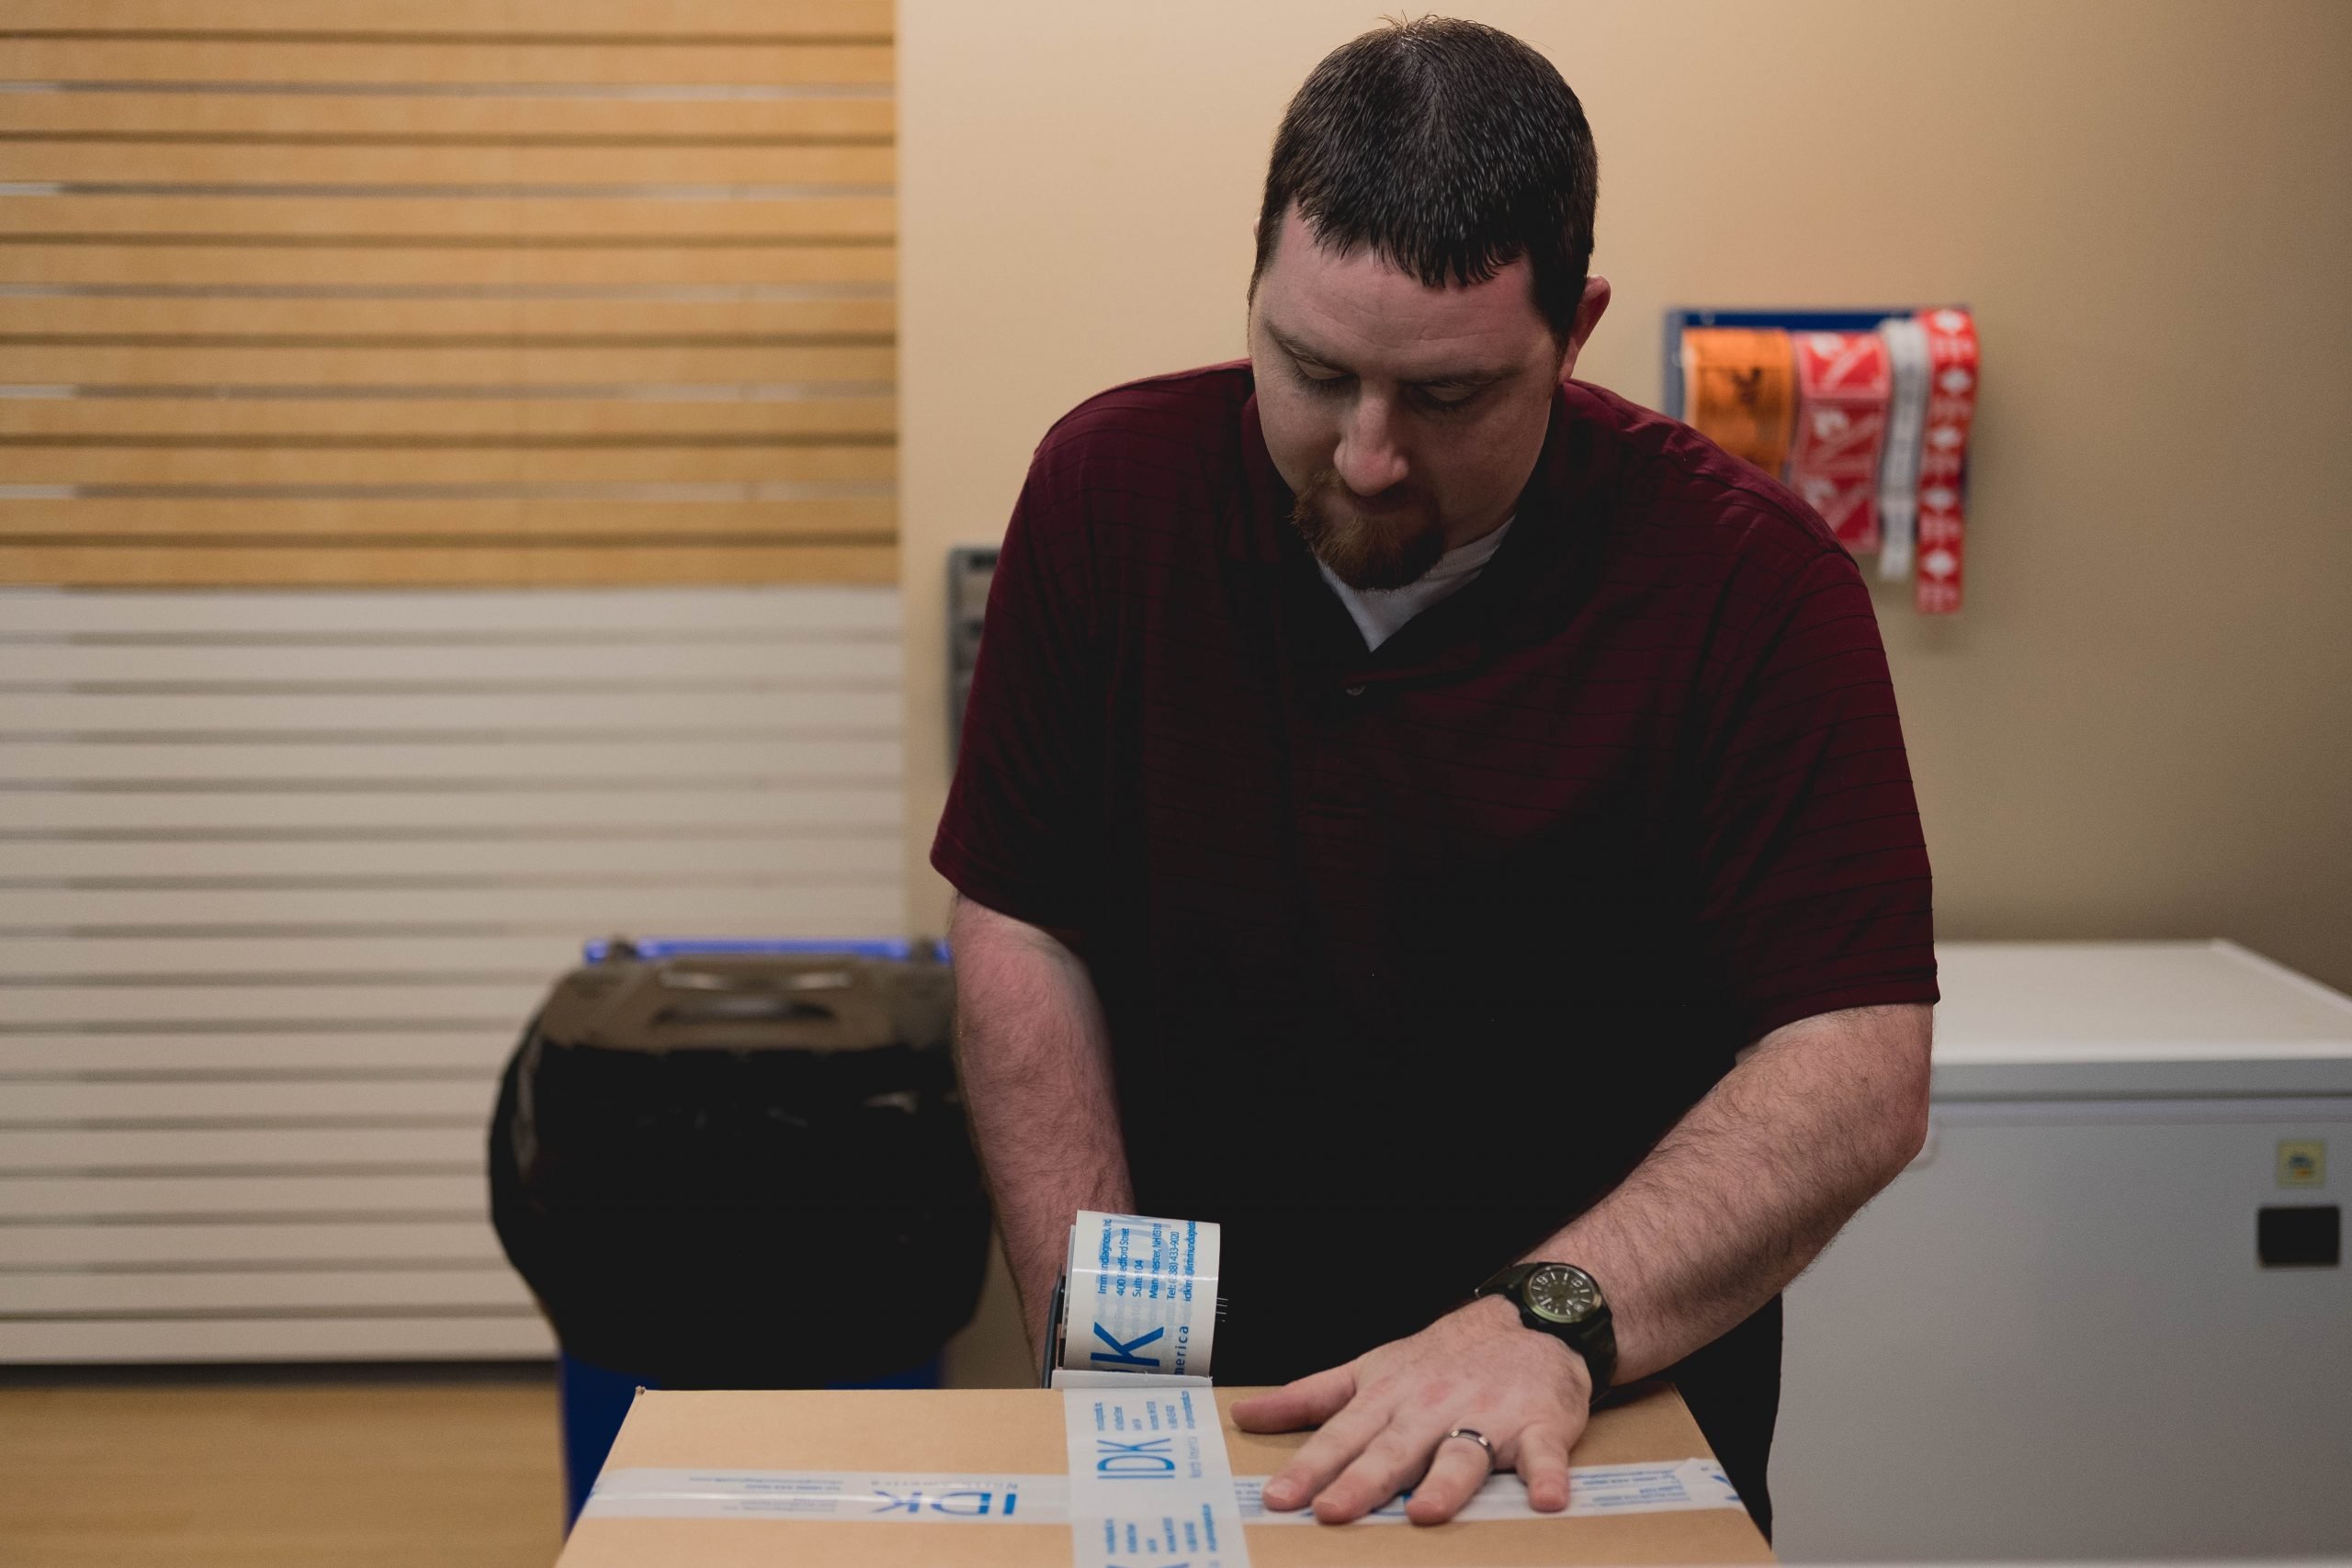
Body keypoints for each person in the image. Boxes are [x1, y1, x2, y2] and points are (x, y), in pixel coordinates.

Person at [933, 17, 1936, 1536]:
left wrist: (1546, 1320)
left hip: (1586, 1410)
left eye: (1450, 396)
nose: (1367, 456)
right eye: (1313, 370)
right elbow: (1028, 921)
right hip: (1210, 1413)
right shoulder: (1106, 497)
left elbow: (1855, 1056)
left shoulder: (1749, 588)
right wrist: (1117, 1358)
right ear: (1256, 285)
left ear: (1577, 326)